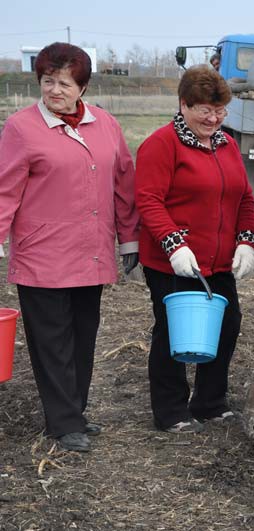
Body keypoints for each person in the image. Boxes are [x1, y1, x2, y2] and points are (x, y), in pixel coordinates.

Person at [0, 42, 140, 452]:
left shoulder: (106, 126)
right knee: (51, 341)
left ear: (83, 86)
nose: (54, 90)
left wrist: (128, 238)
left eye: (64, 82)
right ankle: (63, 423)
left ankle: (73, 411)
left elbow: (123, 186)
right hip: (41, 253)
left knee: (83, 335)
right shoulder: (22, 128)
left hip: (90, 251)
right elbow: (4, 190)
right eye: (47, 81)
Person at [135, 65, 254, 434]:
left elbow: (245, 198)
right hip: (175, 263)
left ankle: (209, 401)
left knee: (227, 324)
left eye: (220, 110)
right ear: (184, 105)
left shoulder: (227, 145)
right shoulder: (162, 144)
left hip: (219, 261)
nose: (213, 118)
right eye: (205, 109)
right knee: (174, 331)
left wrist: (246, 240)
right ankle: (171, 409)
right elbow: (149, 200)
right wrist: (173, 244)